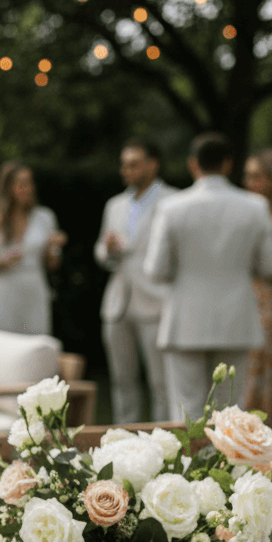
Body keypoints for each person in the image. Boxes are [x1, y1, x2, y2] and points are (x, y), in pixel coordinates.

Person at [144, 133, 272, 421]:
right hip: (236, 318)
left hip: (184, 319)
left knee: (185, 409)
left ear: (193, 164)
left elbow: (156, 270)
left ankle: (187, 453)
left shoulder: (172, 208)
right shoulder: (255, 207)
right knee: (230, 409)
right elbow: (270, 267)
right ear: (228, 164)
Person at [94, 139, 177, 424]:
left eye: (133, 164)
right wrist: (108, 249)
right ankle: (124, 438)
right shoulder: (115, 204)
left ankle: (164, 440)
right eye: (124, 164)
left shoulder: (173, 201)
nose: (126, 170)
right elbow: (101, 251)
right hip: (118, 302)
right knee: (121, 379)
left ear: (153, 165)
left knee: (161, 381)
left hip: (157, 301)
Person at [0, 161, 66, 335]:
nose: (28, 188)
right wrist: (2, 262)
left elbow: (53, 265)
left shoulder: (45, 217)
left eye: (30, 183)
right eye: (21, 183)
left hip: (34, 292)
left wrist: (53, 247)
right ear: (7, 187)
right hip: (1, 292)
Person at [242, 149, 272, 432]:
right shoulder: (242, 212)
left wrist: (266, 267)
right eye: (247, 176)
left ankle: (265, 434)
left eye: (257, 176)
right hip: (238, 296)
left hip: (267, 298)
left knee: (262, 368)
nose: (250, 183)